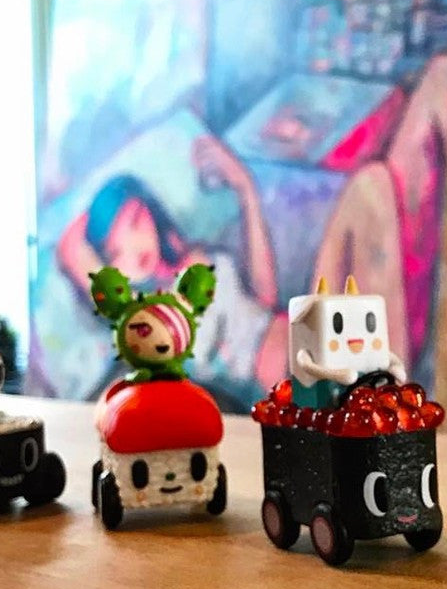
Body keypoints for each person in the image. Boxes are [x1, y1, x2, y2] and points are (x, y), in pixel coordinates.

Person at [57, 136, 288, 404]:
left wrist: (245, 187)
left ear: (151, 212)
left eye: (136, 221)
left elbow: (265, 299)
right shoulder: (145, 320)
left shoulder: (199, 257)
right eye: (116, 252)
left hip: (293, 344)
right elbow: (69, 249)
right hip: (271, 397)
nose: (135, 249)